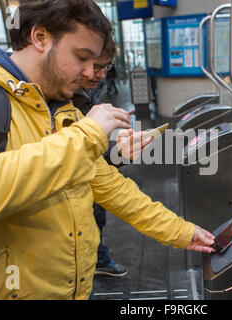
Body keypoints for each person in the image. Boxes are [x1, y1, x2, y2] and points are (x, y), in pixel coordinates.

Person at [0, 0, 214, 300]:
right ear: (40, 37)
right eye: (82, 57)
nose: (88, 73)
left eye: (96, 63)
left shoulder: (64, 111)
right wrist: (90, 132)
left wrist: (182, 232)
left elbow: (113, 188)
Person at [72, 38, 151, 277]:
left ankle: (97, 260)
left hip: (77, 266)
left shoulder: (83, 98)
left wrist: (119, 153)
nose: (99, 74)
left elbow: (94, 163)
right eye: (94, 65)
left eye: (104, 67)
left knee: (94, 223)